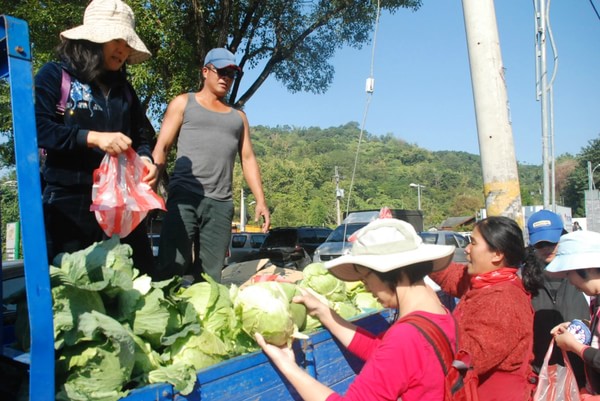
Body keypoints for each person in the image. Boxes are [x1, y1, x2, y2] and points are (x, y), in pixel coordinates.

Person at [256, 218, 457, 401]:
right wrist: (325, 313)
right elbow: (382, 354)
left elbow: (393, 352)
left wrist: (288, 367)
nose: (367, 288)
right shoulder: (439, 314)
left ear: (393, 270)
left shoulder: (405, 337)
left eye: (365, 278)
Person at [34, 0, 158, 275]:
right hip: (67, 203)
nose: (123, 50)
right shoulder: (55, 76)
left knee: (141, 281)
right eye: (117, 40)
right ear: (92, 40)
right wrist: (92, 138)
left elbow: (141, 137)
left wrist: (147, 158)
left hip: (119, 205)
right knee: (71, 287)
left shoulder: (125, 90)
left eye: (128, 43)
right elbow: (39, 129)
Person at [152, 47, 270, 283]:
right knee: (171, 266)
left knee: (210, 277)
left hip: (220, 203)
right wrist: (149, 188)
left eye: (232, 74)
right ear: (205, 71)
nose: (226, 78)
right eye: (222, 71)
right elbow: (162, 147)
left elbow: (247, 158)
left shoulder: (238, 117)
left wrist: (261, 200)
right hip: (184, 197)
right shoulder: (184, 103)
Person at [429, 216, 544, 401]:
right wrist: (417, 256)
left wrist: (431, 315)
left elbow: (470, 359)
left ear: (497, 254)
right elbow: (452, 276)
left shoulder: (503, 300)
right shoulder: (485, 282)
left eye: (473, 243)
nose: (466, 250)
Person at [526, 210, 589, 387]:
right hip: (540, 375)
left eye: (552, 242)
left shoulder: (586, 276)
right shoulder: (524, 280)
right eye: (541, 244)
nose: (547, 248)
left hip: (582, 375)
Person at [549, 230, 600, 396]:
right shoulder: (595, 300)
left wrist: (573, 346)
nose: (569, 281)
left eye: (568, 272)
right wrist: (580, 327)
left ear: (588, 268)